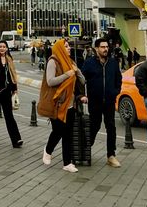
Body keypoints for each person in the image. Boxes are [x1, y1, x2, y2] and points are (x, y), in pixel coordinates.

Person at [40, 39, 87, 172]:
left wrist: (77, 71)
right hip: (57, 104)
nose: (69, 48)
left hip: (70, 105)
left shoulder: (71, 62)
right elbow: (50, 81)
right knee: (58, 131)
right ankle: (48, 150)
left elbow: (82, 81)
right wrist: (67, 75)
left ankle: (67, 163)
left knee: (68, 134)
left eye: (69, 46)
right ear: (59, 48)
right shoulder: (53, 61)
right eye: (65, 47)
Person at [82, 37, 122, 167]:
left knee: (111, 127)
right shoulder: (89, 63)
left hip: (109, 101)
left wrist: (115, 92)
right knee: (95, 126)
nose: (105, 49)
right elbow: (81, 80)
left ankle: (111, 156)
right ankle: (86, 150)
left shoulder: (113, 63)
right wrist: (83, 95)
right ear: (96, 49)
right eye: (102, 47)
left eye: (106, 47)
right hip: (95, 101)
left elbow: (118, 79)